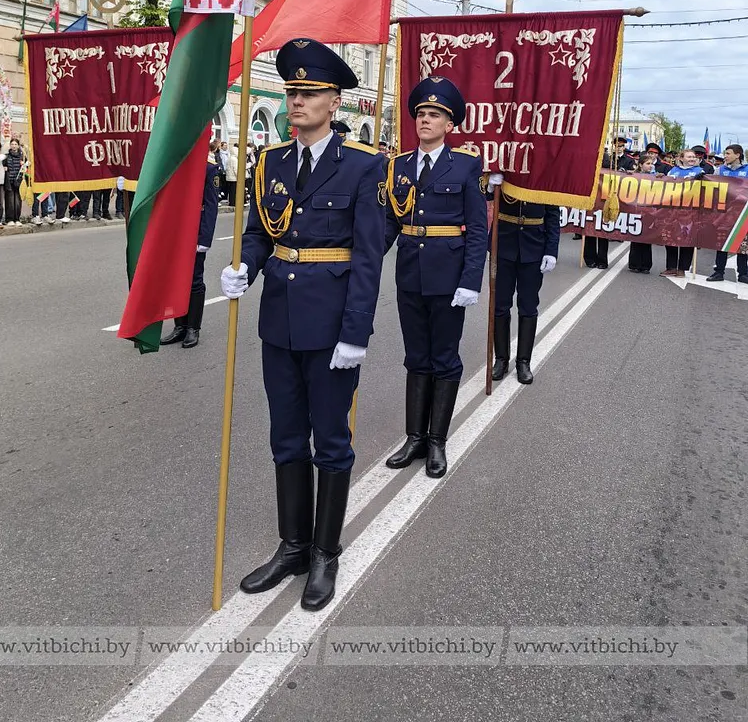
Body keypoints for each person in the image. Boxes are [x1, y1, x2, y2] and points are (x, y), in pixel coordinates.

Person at [219, 38, 386, 612]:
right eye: (291, 92)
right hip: (279, 325)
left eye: (309, 93)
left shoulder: (364, 166)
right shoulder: (271, 162)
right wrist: (244, 265)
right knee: (286, 437)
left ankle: (324, 554)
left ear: (334, 101)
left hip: (333, 325)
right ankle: (292, 546)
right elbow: (262, 230)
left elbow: (367, 257)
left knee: (330, 441)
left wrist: (356, 333)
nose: (296, 101)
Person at [382, 77, 487, 479]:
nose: (425, 119)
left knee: (444, 358)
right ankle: (415, 437)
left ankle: (438, 440)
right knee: (415, 357)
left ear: (449, 124)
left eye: (435, 114)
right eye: (421, 114)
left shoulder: (465, 166)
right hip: (409, 274)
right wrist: (365, 259)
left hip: (449, 277)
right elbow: (390, 222)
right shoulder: (399, 166)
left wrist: (470, 280)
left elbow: (477, 228)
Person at [489, 177, 560, 385]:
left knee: (528, 306)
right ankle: (501, 359)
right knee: (500, 305)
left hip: (533, 245)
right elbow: (481, 195)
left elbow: (553, 215)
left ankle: (523, 362)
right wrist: (491, 186)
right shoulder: (505, 168)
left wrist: (551, 250)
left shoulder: (546, 174)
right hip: (503, 243)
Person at [160, 141, 221, 349]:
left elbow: (211, 207)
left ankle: (193, 328)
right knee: (176, 279)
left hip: (194, 234)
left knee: (194, 280)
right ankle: (180, 326)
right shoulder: (173, 167)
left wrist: (204, 239)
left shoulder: (209, 168)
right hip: (174, 233)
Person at [707, 144, 748, 284]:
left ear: (738, 155)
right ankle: (719, 271)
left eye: (728, 153)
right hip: (723, 212)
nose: (725, 156)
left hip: (742, 213)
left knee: (742, 244)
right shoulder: (720, 170)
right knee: (722, 242)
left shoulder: (747, 170)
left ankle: (743, 273)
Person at [660, 149, 704, 277]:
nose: (692, 159)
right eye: (689, 156)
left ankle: (682, 268)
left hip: (690, 210)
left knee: (687, 239)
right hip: (673, 210)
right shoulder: (673, 171)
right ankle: (671, 267)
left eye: (693, 157)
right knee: (671, 238)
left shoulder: (699, 171)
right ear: (681, 158)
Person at [628, 154, 658, 273]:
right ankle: (634, 264)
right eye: (648, 164)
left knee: (646, 238)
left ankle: (646, 265)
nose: (650, 166)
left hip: (649, 211)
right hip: (636, 210)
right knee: (635, 236)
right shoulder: (633, 176)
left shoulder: (655, 177)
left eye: (652, 164)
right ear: (641, 165)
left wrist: (660, 178)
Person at [2, 138, 26, 225]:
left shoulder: (22, 157)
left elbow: (26, 168)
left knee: (18, 201)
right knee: (10, 201)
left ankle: (17, 219)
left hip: (19, 181)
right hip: (9, 182)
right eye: (12, 144)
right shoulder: (6, 156)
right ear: (10, 145)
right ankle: (9, 219)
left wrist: (25, 166)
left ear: (18, 146)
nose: (14, 146)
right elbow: (2, 167)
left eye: (15, 144)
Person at [225, 142, 239, 207]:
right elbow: (236, 169)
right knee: (234, 191)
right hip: (234, 177)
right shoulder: (235, 160)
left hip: (228, 177)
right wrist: (239, 177)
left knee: (230, 191)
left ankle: (230, 201)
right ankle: (233, 202)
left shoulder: (229, 158)